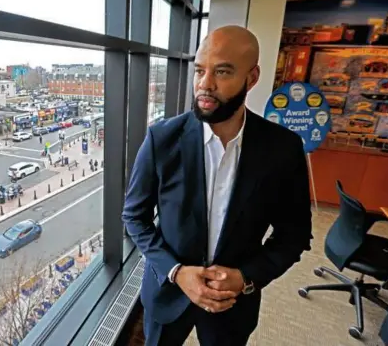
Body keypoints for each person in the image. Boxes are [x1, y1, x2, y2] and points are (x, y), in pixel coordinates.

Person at [122, 25, 312, 346]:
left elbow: (294, 236)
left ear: (251, 78)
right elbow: (135, 218)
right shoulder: (161, 140)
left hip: (233, 305)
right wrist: (176, 271)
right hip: (168, 293)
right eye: (200, 71)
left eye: (222, 72)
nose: (204, 85)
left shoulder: (283, 148)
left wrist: (246, 278)